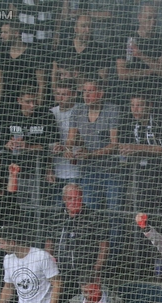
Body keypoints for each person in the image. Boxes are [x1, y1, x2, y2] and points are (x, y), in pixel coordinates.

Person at [0, 221, 62, 303]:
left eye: (2, 243)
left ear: (12, 242)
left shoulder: (41, 256)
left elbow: (57, 284)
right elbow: (9, 287)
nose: (0, 247)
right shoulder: (7, 260)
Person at [66, 78, 121, 215]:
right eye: (84, 91)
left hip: (112, 169)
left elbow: (114, 144)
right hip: (89, 170)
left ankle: (114, 237)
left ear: (100, 93)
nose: (86, 95)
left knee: (114, 213)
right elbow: (71, 139)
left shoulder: (112, 110)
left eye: (90, 91)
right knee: (90, 210)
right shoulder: (77, 110)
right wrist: (68, 150)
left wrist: (90, 154)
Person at [44, 184, 109, 294]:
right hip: (60, 272)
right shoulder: (56, 217)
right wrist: (50, 265)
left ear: (82, 197)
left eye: (77, 198)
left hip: (86, 273)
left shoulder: (94, 217)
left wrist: (96, 270)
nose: (74, 202)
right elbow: (49, 243)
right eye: (70, 198)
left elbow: (104, 246)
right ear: (64, 199)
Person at [0, 85, 57, 205]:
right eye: (28, 102)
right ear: (19, 100)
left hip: (37, 171)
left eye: (34, 101)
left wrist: (28, 146)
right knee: (15, 206)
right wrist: (7, 143)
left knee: (36, 208)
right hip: (13, 171)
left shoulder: (45, 116)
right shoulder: (8, 116)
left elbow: (51, 146)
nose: (32, 105)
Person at [0, 22, 49, 118]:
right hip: (7, 108)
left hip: (28, 106)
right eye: (2, 32)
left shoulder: (33, 53)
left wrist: (38, 108)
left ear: (16, 33)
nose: (1, 36)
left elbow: (42, 84)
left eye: (5, 32)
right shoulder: (3, 55)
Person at [114, 3, 162, 96]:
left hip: (156, 91)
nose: (153, 22)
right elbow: (122, 74)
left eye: (155, 18)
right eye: (149, 18)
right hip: (132, 92)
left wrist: (141, 55)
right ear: (140, 17)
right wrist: (152, 70)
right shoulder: (127, 39)